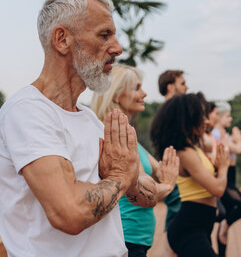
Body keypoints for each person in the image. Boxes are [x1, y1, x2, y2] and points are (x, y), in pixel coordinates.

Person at [0, 0, 157, 257]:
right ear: (62, 39)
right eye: (105, 35)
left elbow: (142, 191)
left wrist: (134, 178)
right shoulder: (27, 111)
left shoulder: (89, 118)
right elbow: (69, 212)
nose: (117, 48)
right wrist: (119, 177)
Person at [91, 64, 179, 257]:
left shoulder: (130, 140)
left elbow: (161, 169)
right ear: (115, 95)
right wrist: (167, 186)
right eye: (136, 88)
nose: (145, 93)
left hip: (138, 241)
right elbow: (145, 187)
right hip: (127, 240)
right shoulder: (115, 139)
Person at [150, 93, 230, 256]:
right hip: (189, 227)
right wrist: (223, 167)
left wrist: (216, 168)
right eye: (202, 116)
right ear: (188, 120)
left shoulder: (193, 149)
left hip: (201, 225)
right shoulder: (185, 153)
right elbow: (218, 189)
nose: (206, 121)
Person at [211, 101, 241, 256]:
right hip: (226, 179)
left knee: (225, 225)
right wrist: (238, 141)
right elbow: (237, 149)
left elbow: (234, 148)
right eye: (228, 116)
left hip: (232, 177)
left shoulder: (225, 134)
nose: (230, 119)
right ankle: (224, 223)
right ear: (219, 117)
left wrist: (234, 139)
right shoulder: (216, 134)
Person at [157, 69, 189, 256]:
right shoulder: (171, 113)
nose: (186, 87)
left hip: (177, 174)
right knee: (178, 220)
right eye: (182, 83)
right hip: (173, 175)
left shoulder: (172, 112)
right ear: (170, 86)